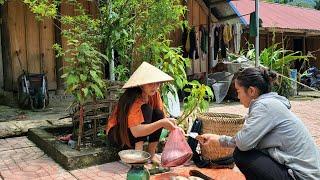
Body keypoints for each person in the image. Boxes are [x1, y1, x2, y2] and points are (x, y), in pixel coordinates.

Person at [197, 67, 320, 180]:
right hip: (307, 173)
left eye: (238, 91)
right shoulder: (271, 104)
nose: (238, 97)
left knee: (242, 154)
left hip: (302, 176)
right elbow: (247, 140)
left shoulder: (264, 106)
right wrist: (219, 140)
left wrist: (220, 140)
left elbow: (243, 143)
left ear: (251, 91)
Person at [106, 62, 177, 164]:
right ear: (141, 84)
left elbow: (161, 117)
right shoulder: (133, 99)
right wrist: (162, 123)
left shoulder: (155, 94)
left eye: (157, 83)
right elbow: (136, 131)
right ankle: (138, 155)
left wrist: (175, 128)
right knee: (147, 109)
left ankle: (151, 154)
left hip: (133, 135)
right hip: (118, 135)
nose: (155, 87)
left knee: (158, 114)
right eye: (151, 83)